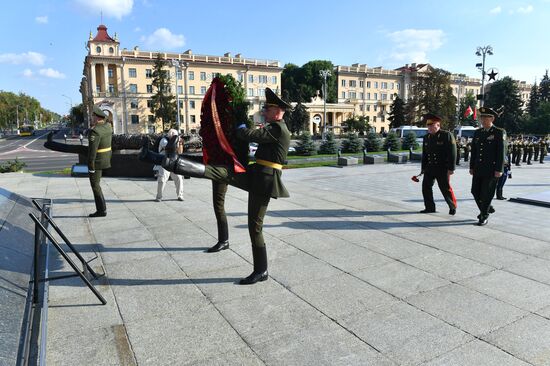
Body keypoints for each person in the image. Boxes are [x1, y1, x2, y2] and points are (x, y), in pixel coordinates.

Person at [160, 87, 291, 285]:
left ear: (278, 110)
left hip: (265, 181)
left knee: (255, 227)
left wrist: (240, 128)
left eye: (268, 108)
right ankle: (176, 163)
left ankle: (261, 270)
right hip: (257, 175)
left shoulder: (278, 129)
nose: (264, 111)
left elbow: (250, 135)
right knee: (223, 173)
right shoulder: (274, 127)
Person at [470, 107, 505, 226]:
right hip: (478, 168)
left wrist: (499, 169)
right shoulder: (478, 132)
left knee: (487, 193)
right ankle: (487, 207)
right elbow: (474, 151)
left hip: (492, 169)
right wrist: (471, 166)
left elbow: (501, 152)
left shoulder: (499, 132)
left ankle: (483, 215)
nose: (483, 120)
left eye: (486, 117)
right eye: (481, 117)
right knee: (475, 191)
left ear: (492, 118)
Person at [419, 113, 457, 215]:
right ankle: (430, 207)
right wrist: (423, 168)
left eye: (432, 125)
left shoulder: (446, 135)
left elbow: (452, 153)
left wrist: (451, 168)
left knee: (445, 188)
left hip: (442, 168)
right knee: (426, 187)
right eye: (428, 126)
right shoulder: (426, 137)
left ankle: (452, 206)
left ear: (438, 125)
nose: (430, 127)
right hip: (430, 167)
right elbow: (425, 154)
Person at [87, 105, 113, 217]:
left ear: (97, 117)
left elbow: (92, 152)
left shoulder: (95, 131)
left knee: (95, 185)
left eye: (93, 116)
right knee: (97, 185)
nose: (91, 118)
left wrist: (90, 166)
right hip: (107, 158)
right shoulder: (108, 126)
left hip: (97, 161)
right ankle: (102, 210)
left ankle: (101, 210)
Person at [155, 129, 184, 202]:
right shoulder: (164, 140)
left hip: (173, 162)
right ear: (170, 134)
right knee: (162, 179)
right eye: (174, 135)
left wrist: (180, 143)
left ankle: (180, 195)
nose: (174, 137)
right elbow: (170, 149)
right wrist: (176, 141)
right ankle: (159, 197)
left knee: (179, 178)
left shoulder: (176, 140)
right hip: (164, 161)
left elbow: (180, 152)